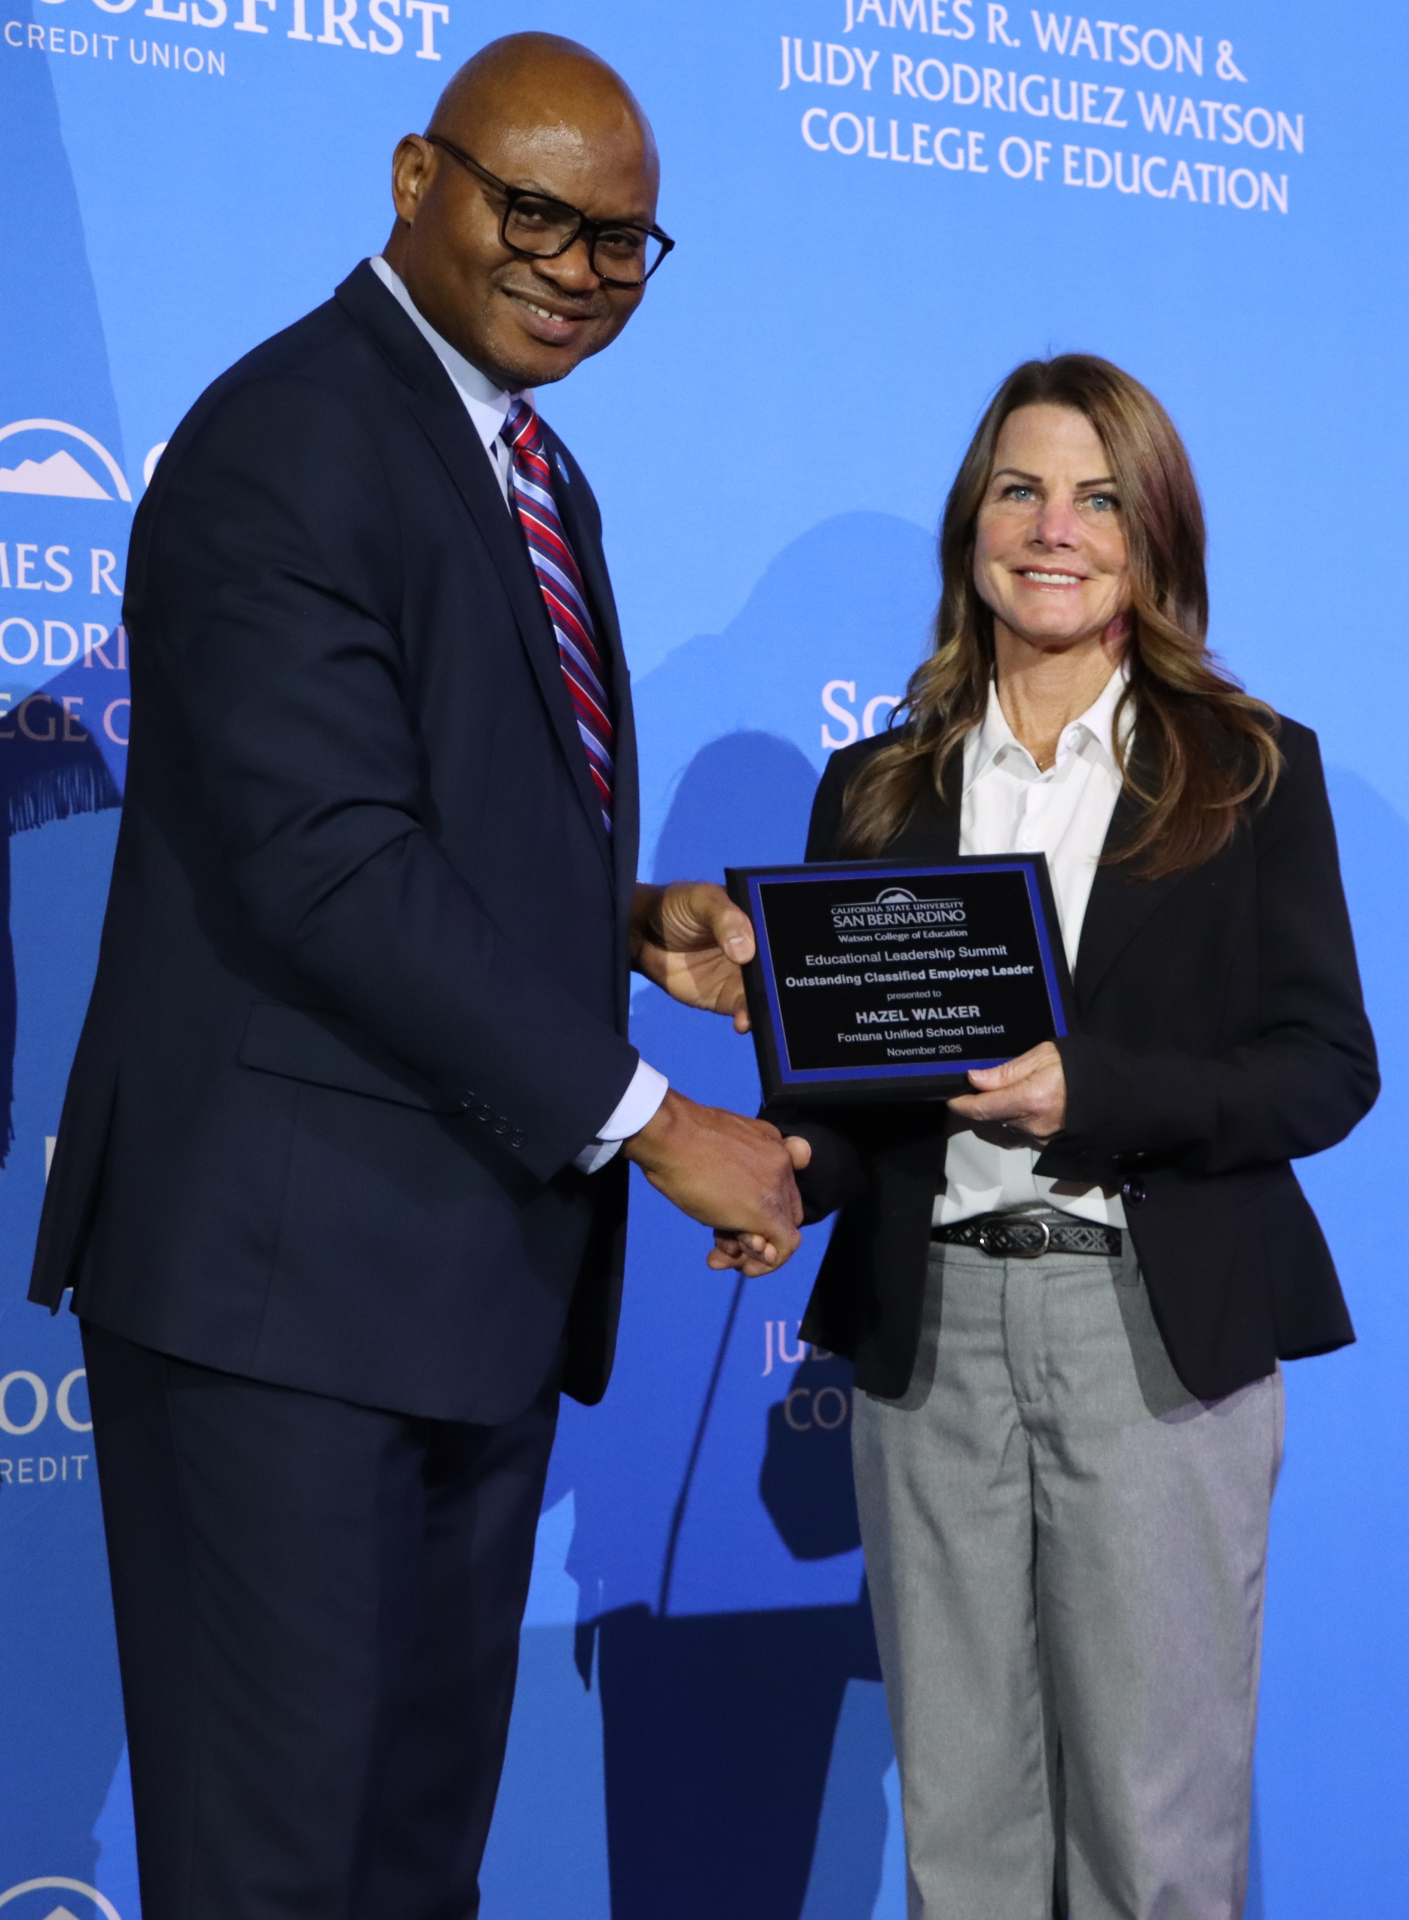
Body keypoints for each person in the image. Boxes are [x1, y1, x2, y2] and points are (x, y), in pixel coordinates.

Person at [29, 34, 807, 1920]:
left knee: (407, 1875)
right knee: (279, 1874)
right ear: (413, 178)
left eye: (619, 241)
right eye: (532, 212)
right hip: (284, 1298)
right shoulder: (293, 434)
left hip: (463, 1289)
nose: (575, 269)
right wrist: (656, 1123)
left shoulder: (530, 464)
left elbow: (408, 806)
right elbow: (324, 866)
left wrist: (618, 917)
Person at [712, 355, 1377, 1918]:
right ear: (972, 526)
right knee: (962, 1836)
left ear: (1154, 535)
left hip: (1147, 1329)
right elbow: (841, 1102)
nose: (1052, 529)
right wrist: (781, 1175)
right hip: (928, 1338)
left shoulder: (1249, 770)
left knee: (1155, 1840)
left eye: (1096, 498)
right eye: (1018, 490)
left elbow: (1324, 1072)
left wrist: (1099, 1093)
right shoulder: (874, 788)